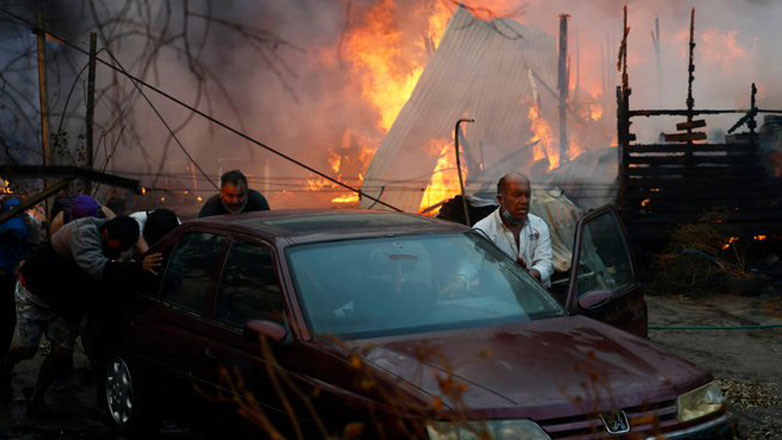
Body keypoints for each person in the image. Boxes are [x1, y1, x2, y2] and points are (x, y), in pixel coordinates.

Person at [0, 216, 162, 413]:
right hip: (35, 293)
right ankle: (4, 370)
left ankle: (36, 397)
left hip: (65, 300)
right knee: (28, 348)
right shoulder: (83, 233)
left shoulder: (113, 228)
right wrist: (138, 267)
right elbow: (96, 268)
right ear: (106, 234)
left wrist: (145, 258)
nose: (120, 252)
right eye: (118, 246)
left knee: (62, 350)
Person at [473, 173, 554, 286]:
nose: (524, 201)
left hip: (535, 296)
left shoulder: (539, 225)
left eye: (527, 195)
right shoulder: (483, 231)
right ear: (500, 200)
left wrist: (530, 275)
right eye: (517, 195)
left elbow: (546, 262)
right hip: (501, 298)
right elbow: (474, 268)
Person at [0, 197, 31, 382]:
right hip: (7, 278)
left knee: (6, 318)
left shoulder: (10, 224)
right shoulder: (21, 226)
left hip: (7, 276)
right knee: (7, 319)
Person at [198, 170, 269, 218]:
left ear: (247, 193)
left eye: (240, 196)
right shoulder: (211, 209)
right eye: (230, 196)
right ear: (221, 194)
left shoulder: (258, 203)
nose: (235, 201)